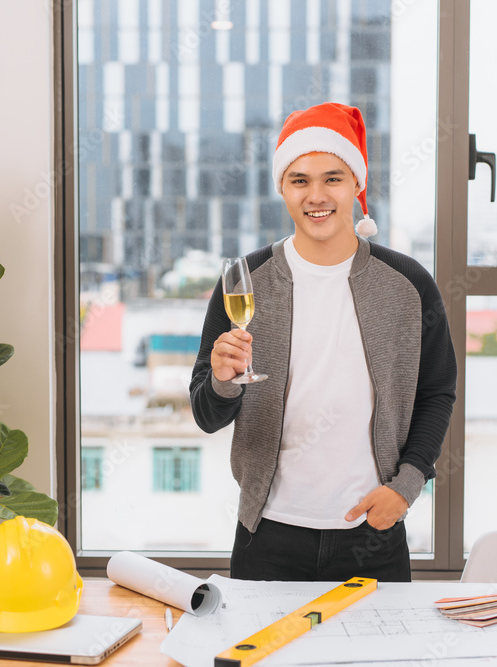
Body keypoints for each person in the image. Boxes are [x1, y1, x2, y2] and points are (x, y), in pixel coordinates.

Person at [189, 102, 457, 582]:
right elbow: (208, 417)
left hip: (373, 533)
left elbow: (437, 392)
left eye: (333, 178)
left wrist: (408, 485)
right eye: (300, 180)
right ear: (282, 189)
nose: (317, 195)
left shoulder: (408, 284)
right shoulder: (242, 281)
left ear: (356, 184)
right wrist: (224, 382)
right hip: (266, 534)